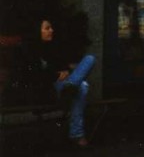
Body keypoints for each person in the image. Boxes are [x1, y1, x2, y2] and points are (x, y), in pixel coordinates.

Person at [26, 18, 96, 146]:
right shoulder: (30, 51)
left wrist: (67, 72)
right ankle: (76, 134)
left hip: (66, 82)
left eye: (51, 28)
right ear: (38, 31)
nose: (51, 30)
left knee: (90, 58)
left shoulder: (54, 47)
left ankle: (70, 87)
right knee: (83, 87)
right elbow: (34, 75)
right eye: (47, 28)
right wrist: (56, 74)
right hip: (51, 87)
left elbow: (65, 66)